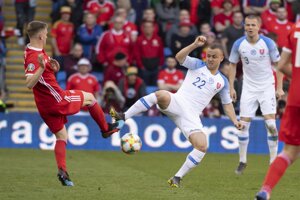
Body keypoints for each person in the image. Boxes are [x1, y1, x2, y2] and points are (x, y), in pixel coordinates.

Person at [110, 36, 243, 187]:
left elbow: (227, 105)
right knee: (161, 94)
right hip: (177, 102)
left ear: (221, 57)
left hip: (191, 115)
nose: (210, 59)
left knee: (202, 146)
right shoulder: (198, 64)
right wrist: (194, 44)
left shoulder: (222, 82)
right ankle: (123, 117)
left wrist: (235, 121)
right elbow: (179, 57)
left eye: (214, 56)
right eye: (209, 55)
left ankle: (177, 178)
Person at [24, 21, 124, 187]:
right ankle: (106, 130)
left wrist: (50, 65)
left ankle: (63, 172)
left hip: (44, 105)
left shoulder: (30, 51)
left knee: (62, 136)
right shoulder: (35, 57)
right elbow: (29, 83)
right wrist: (42, 68)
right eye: (47, 33)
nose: (48, 35)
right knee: (90, 98)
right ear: (41, 36)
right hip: (57, 100)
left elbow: (40, 72)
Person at [228, 15, 284, 175]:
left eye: (253, 25)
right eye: (247, 25)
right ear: (244, 26)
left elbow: (278, 66)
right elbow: (232, 65)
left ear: (259, 26)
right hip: (249, 88)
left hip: (267, 87)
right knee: (243, 126)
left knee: (271, 125)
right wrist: (231, 87)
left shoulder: (268, 43)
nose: (250, 27)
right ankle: (242, 161)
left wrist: (279, 88)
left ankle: (273, 161)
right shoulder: (239, 44)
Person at [254, 20, 300, 200]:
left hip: (296, 97)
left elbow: (281, 65)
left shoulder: (295, 29)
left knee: (290, 151)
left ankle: (266, 189)